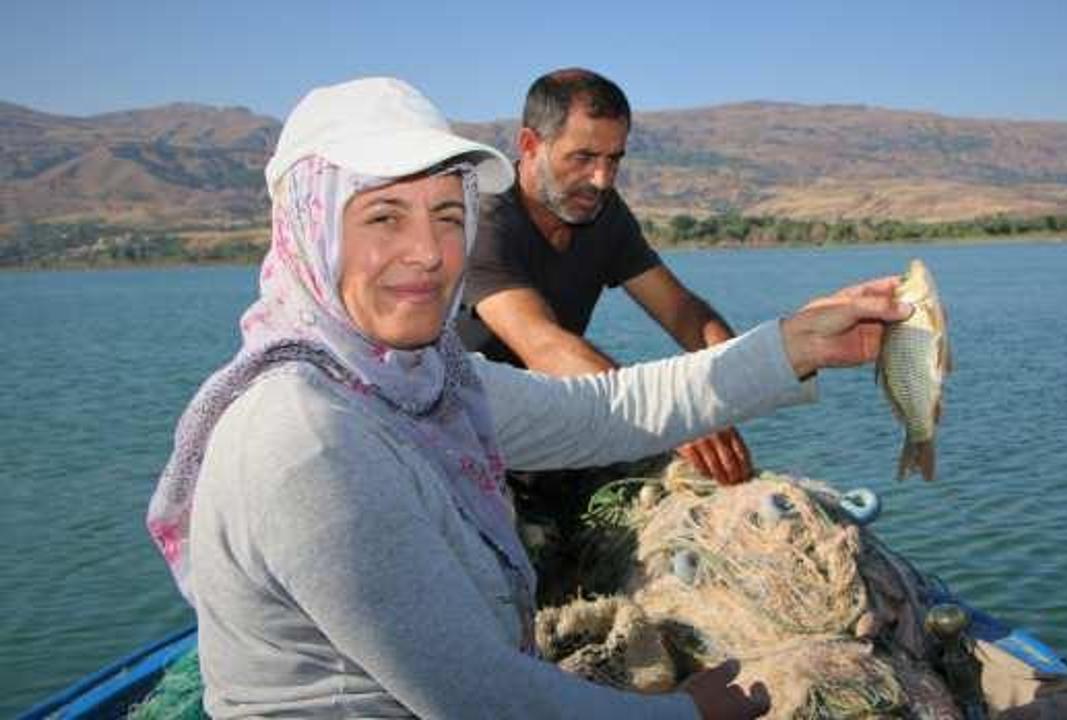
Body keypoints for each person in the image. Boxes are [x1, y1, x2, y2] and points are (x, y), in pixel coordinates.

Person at [146, 76, 912, 719]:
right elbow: (485, 701)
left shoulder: (421, 383)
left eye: (449, 215)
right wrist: (688, 711)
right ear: (310, 230)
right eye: (383, 216)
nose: (426, 252)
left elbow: (604, 411)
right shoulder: (307, 440)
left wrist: (798, 344)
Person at [457, 68, 751, 486]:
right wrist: (668, 411)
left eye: (614, 159)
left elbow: (681, 310)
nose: (602, 179)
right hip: (464, 431)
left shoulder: (602, 210)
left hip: (559, 422)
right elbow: (543, 345)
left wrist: (745, 372)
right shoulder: (483, 219)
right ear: (530, 145)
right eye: (583, 158)